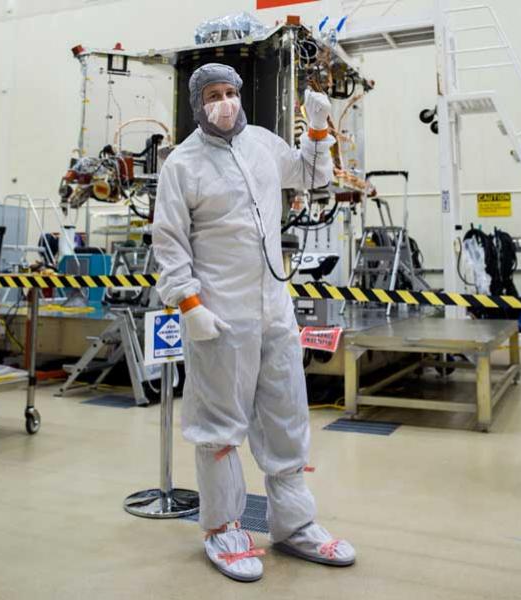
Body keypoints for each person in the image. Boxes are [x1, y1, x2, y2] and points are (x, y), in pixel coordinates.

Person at [152, 63, 356, 583]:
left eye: (231, 93)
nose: (225, 102)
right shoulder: (183, 163)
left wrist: (316, 131)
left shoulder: (263, 143)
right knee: (220, 426)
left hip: (274, 309)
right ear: (198, 105)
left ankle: (295, 526)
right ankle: (222, 529)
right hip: (220, 316)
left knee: (287, 417)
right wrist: (189, 305)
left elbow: (312, 177)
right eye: (214, 95)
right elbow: (169, 240)